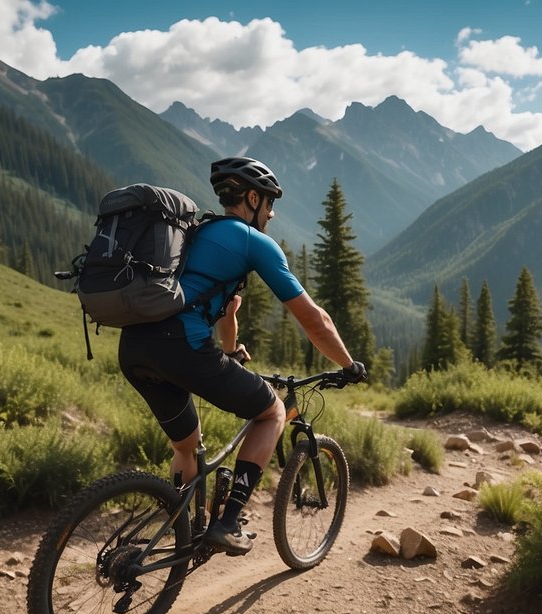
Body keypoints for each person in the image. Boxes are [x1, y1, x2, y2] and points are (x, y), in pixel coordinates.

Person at [118, 156, 368, 556]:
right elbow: (313, 319)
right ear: (252, 198)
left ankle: (177, 533)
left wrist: (232, 350)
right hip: (180, 346)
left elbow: (225, 311)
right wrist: (348, 364)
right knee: (271, 414)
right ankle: (228, 522)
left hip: (134, 347)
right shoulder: (253, 241)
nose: (271, 213)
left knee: (187, 446)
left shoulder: (197, 234)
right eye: (269, 204)